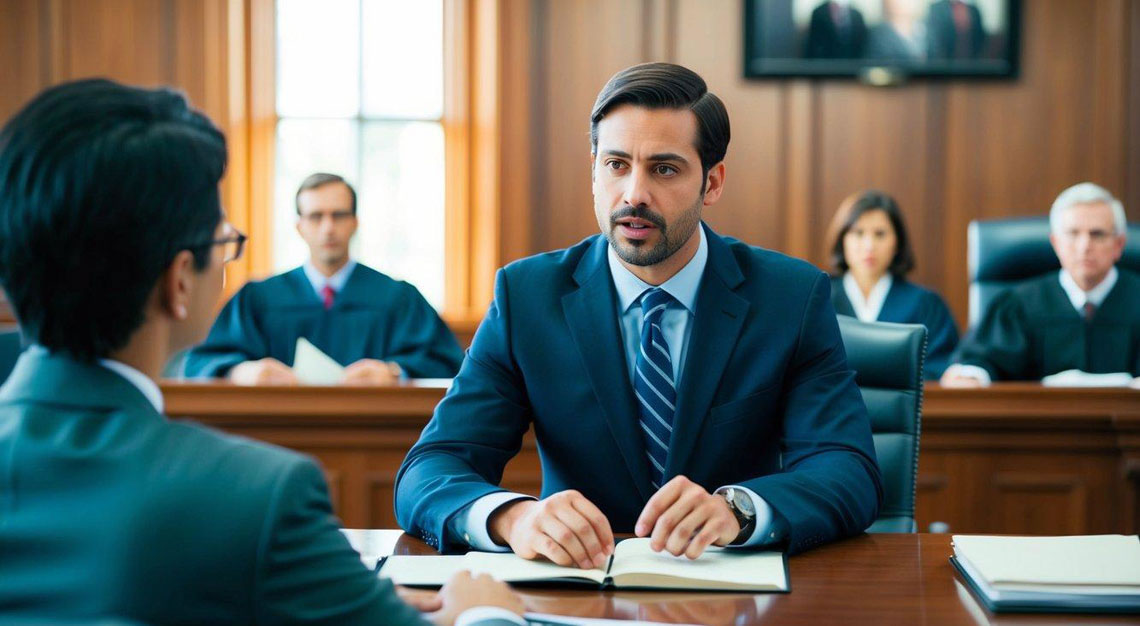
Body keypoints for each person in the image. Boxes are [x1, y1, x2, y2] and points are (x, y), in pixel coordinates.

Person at [0, 78, 523, 626]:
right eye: (223, 243)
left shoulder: (395, 297)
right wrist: (486, 615)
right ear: (180, 281)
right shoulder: (255, 498)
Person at [395, 63, 882, 567]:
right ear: (594, 170)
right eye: (616, 165)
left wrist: (738, 510)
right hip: (577, 591)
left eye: (664, 169)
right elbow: (429, 470)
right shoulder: (527, 297)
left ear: (711, 183)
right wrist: (511, 518)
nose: (633, 195)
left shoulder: (790, 297)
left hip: (728, 591)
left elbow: (848, 469)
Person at [183, 173, 463, 385]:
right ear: (299, 226)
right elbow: (201, 362)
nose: (328, 228)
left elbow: (447, 362)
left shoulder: (398, 299)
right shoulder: (258, 299)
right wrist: (243, 371)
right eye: (316, 217)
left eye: (338, 215)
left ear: (355, 222)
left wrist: (393, 372)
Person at [942, 182, 1140, 385]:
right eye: (1073, 233)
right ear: (1056, 243)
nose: (1084, 246)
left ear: (1119, 245)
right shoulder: (1018, 305)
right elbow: (978, 363)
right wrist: (970, 375)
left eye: (1097, 234)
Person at [825, 190, 959, 379]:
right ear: (842, 240)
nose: (869, 245)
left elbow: (941, 366)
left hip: (906, 408)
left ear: (897, 243)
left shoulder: (926, 304)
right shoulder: (820, 299)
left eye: (880, 234)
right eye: (858, 233)